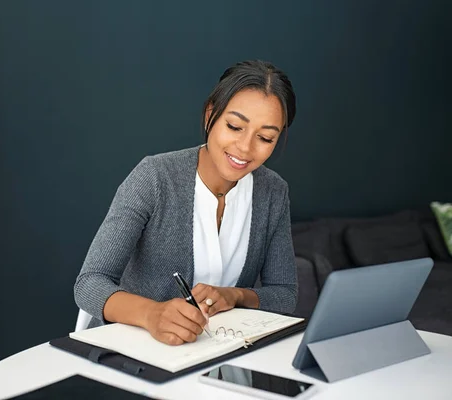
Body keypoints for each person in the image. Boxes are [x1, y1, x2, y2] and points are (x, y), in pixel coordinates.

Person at [74, 59, 298, 346]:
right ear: (209, 116)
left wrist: (235, 295)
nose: (245, 148)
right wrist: (152, 314)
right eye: (234, 126)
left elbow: (285, 294)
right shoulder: (154, 177)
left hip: (210, 354)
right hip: (129, 352)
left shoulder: (273, 192)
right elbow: (89, 283)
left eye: (265, 138)